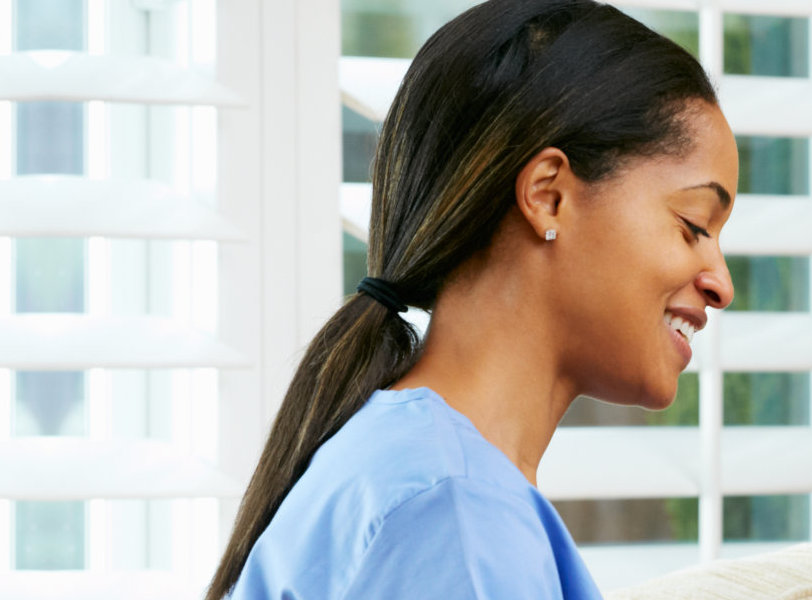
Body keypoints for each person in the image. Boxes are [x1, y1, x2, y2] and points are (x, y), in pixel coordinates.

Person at [205, 1, 736, 597]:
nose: (722, 282)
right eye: (693, 224)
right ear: (549, 196)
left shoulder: (422, 472)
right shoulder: (454, 511)